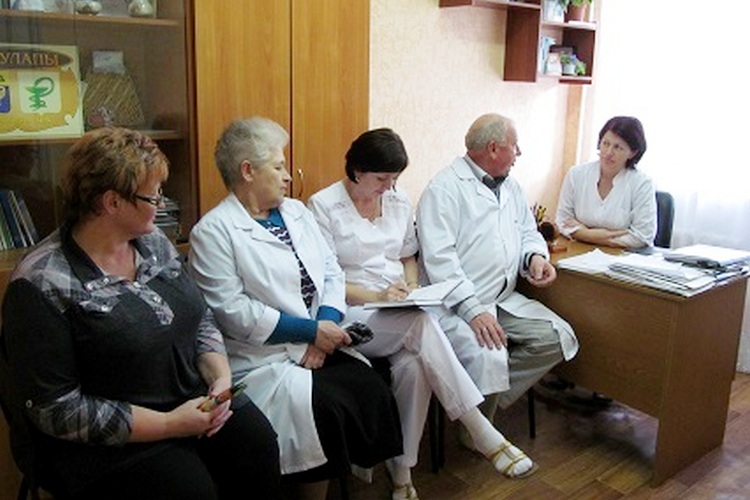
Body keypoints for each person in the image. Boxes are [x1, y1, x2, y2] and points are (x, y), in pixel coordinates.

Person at [0, 127, 281, 499]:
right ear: (111, 202)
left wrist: (221, 381)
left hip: (187, 400)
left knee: (257, 445)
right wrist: (168, 425)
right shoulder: (42, 282)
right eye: (153, 195)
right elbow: (57, 409)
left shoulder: (152, 243)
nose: (161, 204)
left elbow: (200, 318)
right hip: (107, 437)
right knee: (190, 491)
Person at [308, 128, 537, 498]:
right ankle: (479, 429)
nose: (389, 188)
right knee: (420, 324)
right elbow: (327, 278)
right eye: (382, 179)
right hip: (350, 311)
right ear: (357, 170)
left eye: (395, 179)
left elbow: (407, 256)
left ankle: (402, 475)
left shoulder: (397, 200)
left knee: (415, 368)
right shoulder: (323, 206)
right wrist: (377, 294)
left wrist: (411, 287)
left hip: (396, 307)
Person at [188, 117, 403, 499]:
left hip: (318, 342)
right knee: (325, 408)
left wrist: (324, 328)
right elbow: (233, 312)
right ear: (247, 171)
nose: (288, 176)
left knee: (368, 387)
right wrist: (310, 333)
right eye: (278, 166)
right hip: (263, 357)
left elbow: (332, 273)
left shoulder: (297, 213)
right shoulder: (213, 232)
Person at [416, 113, 579, 443]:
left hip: (503, 299)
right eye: (514, 146)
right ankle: (476, 431)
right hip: (457, 304)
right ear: (493, 148)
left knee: (558, 337)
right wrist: (473, 311)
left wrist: (534, 257)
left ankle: (471, 406)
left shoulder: (512, 187)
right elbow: (440, 261)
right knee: (490, 354)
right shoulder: (443, 189)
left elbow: (527, 231)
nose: (519, 153)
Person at [555, 116, 656, 248]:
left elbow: (642, 236)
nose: (608, 152)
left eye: (617, 147)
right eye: (605, 143)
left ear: (632, 153)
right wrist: (591, 235)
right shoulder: (576, 174)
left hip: (624, 256)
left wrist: (586, 234)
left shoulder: (642, 183)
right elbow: (562, 220)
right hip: (579, 251)